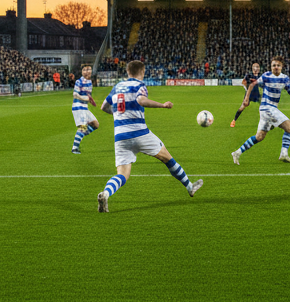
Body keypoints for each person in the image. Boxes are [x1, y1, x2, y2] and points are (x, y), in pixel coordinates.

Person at [97, 60, 203, 212]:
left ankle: (106, 193)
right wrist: (162, 105)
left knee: (122, 175)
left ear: (128, 72)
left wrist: (119, 115)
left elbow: (104, 107)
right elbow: (141, 100)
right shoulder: (139, 85)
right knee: (167, 158)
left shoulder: (117, 86)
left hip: (120, 136)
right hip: (140, 133)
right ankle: (189, 187)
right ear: (142, 71)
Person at [232, 57, 290, 165]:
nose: (276, 67)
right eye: (274, 65)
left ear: (282, 67)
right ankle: (283, 154)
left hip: (268, 110)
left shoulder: (285, 78)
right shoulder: (266, 76)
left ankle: (237, 153)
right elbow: (252, 85)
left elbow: (288, 89)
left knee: (259, 136)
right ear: (271, 67)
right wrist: (246, 98)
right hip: (267, 108)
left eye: (278, 65)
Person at [71, 64, 100, 155]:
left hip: (84, 107)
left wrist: (89, 99)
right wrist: (85, 98)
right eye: (84, 70)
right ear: (82, 72)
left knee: (95, 124)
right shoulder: (79, 81)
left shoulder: (90, 82)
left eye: (88, 69)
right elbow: (75, 94)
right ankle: (75, 148)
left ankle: (80, 135)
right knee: (82, 128)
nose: (87, 71)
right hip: (78, 107)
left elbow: (88, 95)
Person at [230, 62, 262, 128]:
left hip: (257, 94)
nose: (256, 68)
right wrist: (246, 89)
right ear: (253, 68)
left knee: (264, 107)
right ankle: (234, 120)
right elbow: (243, 82)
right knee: (242, 107)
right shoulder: (249, 75)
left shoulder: (260, 76)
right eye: (255, 67)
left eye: (257, 67)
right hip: (249, 94)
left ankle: (267, 122)